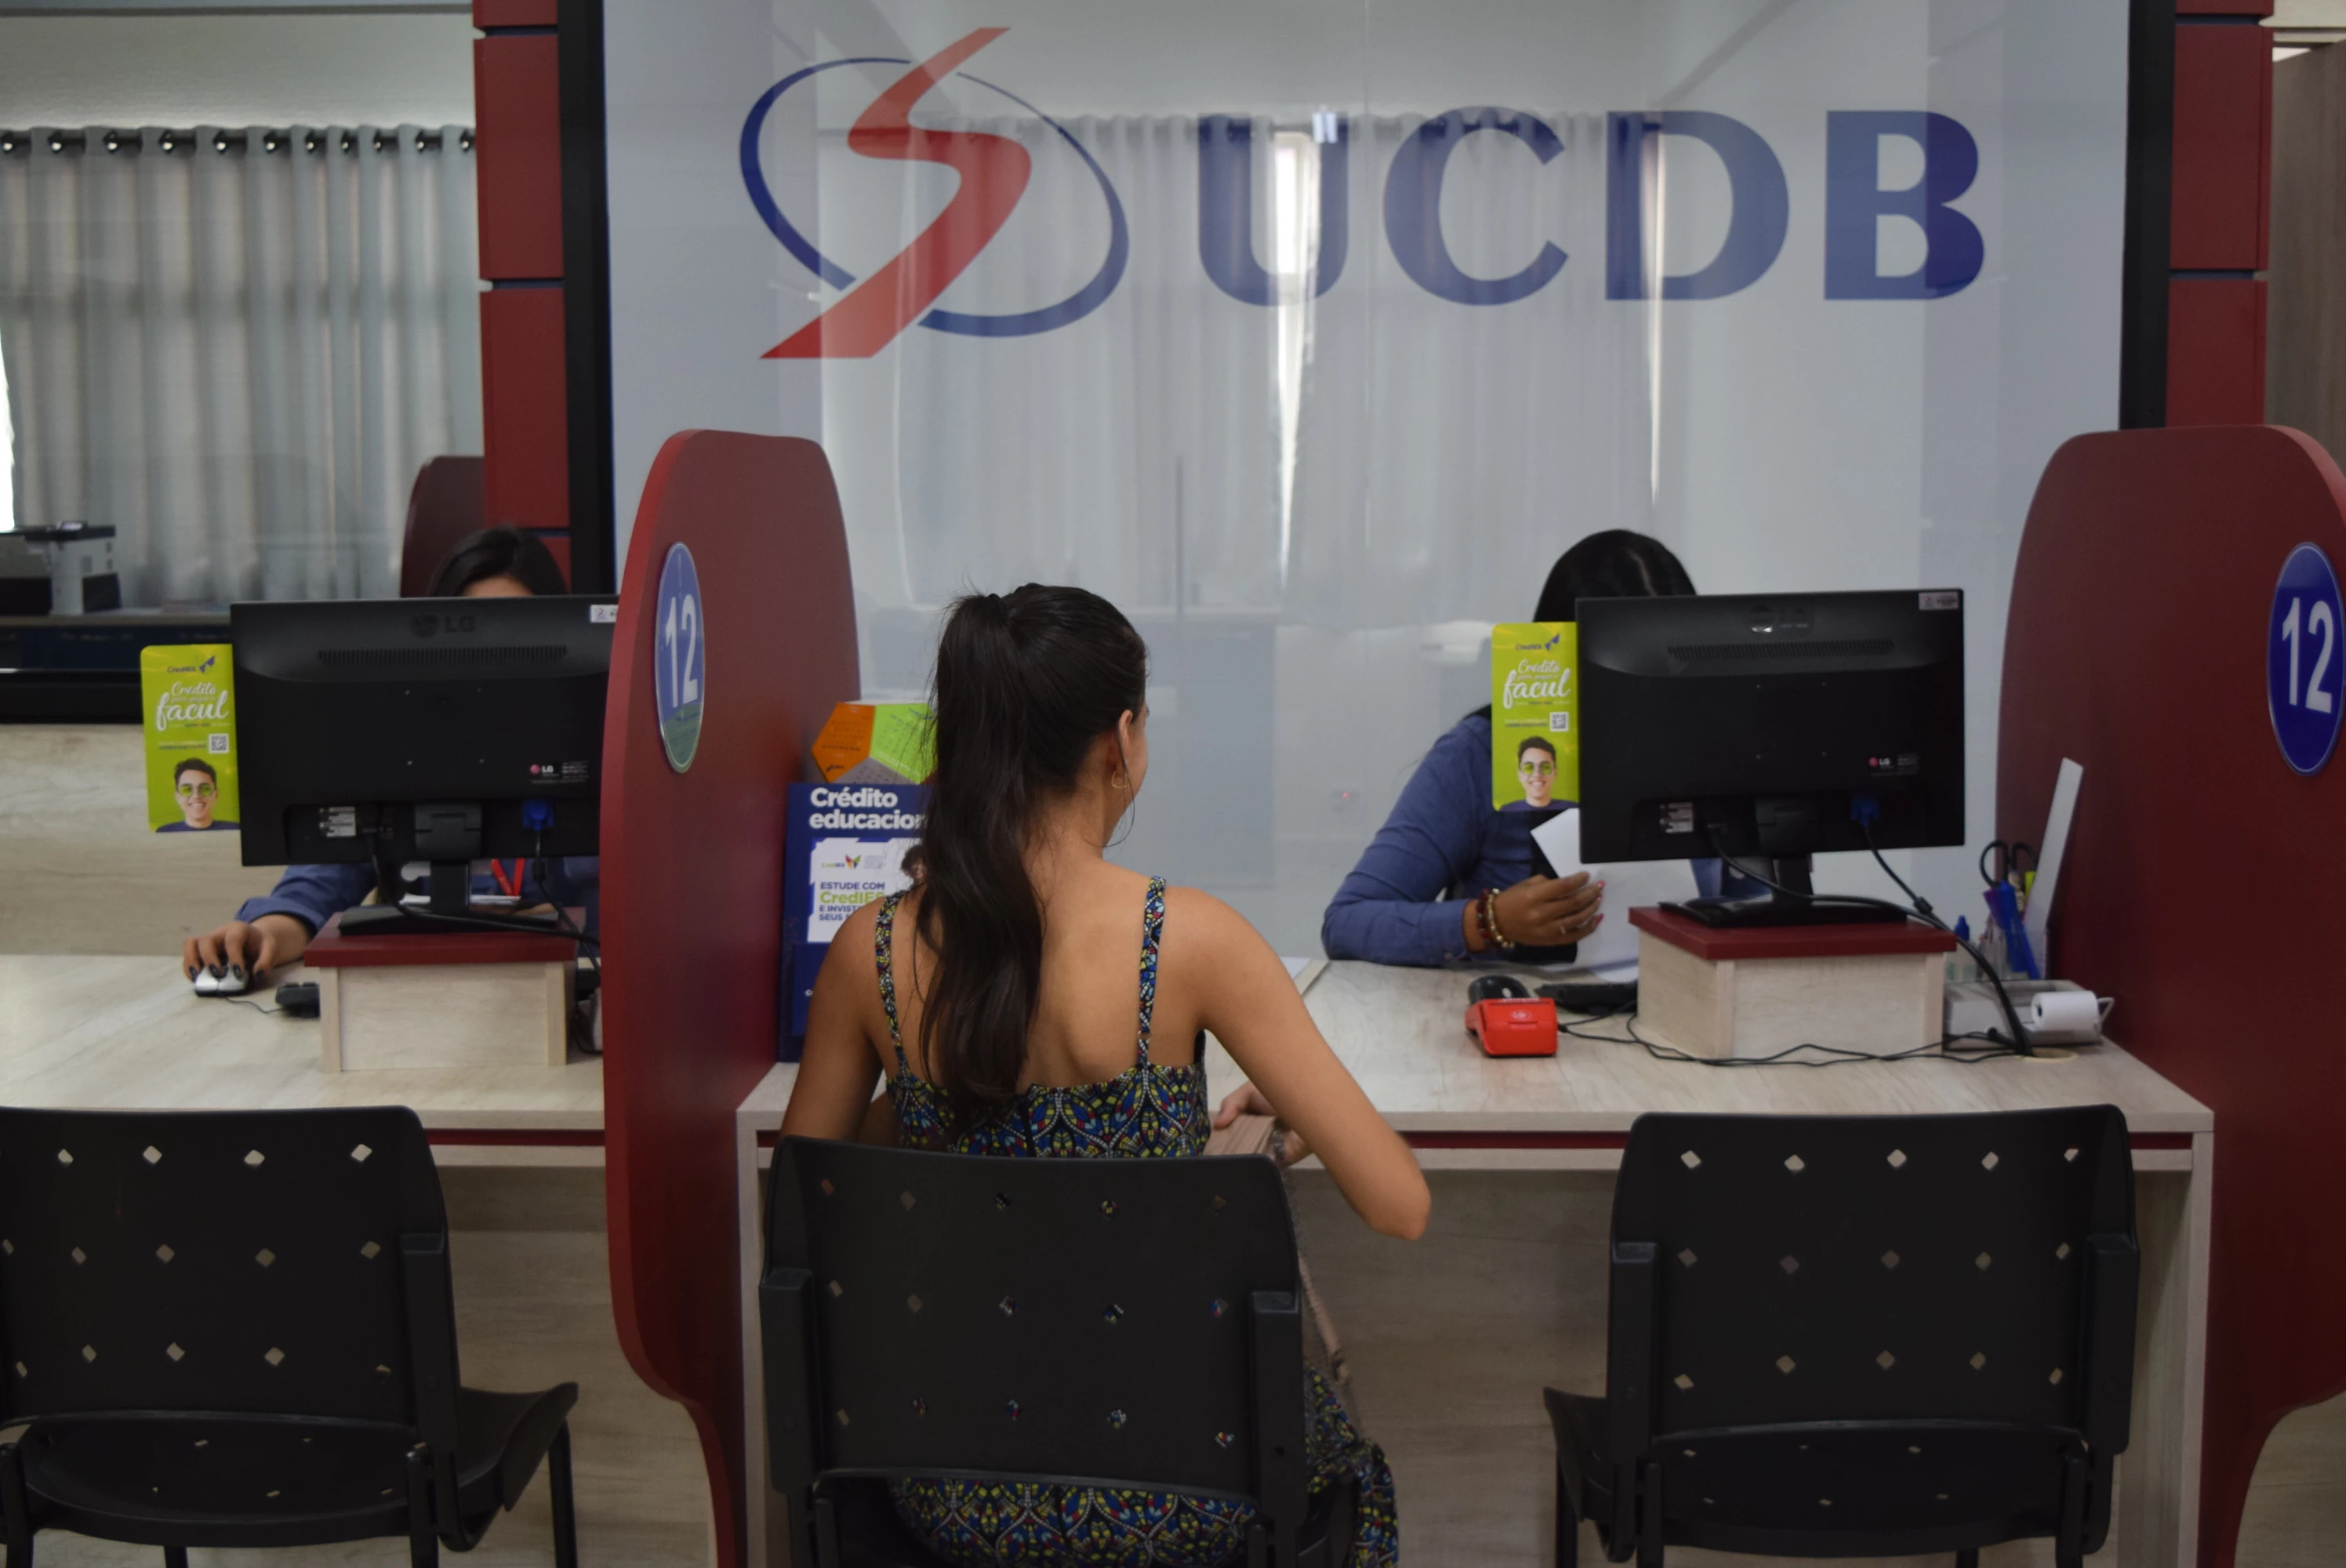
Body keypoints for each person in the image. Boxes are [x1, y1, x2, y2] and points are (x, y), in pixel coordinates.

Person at [783, 584, 1427, 1568]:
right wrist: (1286, 1117)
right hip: (1187, 1491)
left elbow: (804, 1206)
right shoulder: (1192, 939)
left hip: (954, 1495)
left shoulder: (871, 950)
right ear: (1120, 740)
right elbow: (1399, 1205)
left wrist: (933, 1098)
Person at [1322, 530, 1756, 967]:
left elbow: (1759, 905)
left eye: (1667, 664)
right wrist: (1489, 922)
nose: (1645, 692)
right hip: (1527, 1002)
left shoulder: (1713, 748)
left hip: (1683, 998)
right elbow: (1348, 923)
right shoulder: (1479, 755)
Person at [181, 526, 594, 985]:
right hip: (421, 997)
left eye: (516, 636)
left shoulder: (595, 757)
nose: (493, 659)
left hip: (566, 993)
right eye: (473, 636)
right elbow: (316, 888)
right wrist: (261, 935)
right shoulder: (395, 751)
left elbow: (631, 911)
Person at [158, 756, 237, 832]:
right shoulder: (163, 833)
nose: (196, 796)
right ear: (177, 796)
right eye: (187, 789)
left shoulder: (235, 829)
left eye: (205, 789)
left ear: (216, 794)